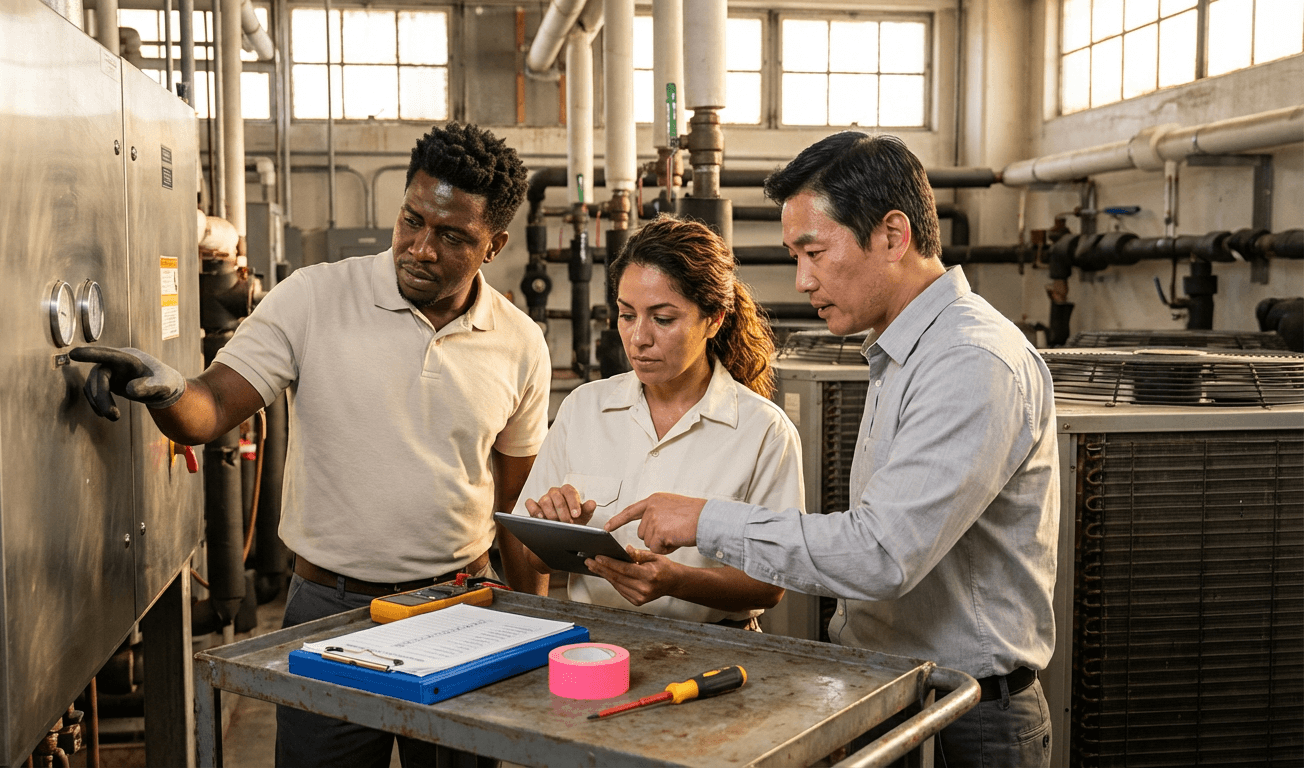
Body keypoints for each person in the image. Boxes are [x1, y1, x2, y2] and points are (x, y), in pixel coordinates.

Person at [69, 123, 548, 768]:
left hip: (459, 607)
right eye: (411, 220)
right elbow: (210, 406)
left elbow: (517, 502)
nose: (421, 248)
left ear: (494, 245)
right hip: (330, 612)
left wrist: (535, 632)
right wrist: (164, 391)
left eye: (452, 237)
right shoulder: (315, 297)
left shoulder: (520, 343)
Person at [607, 133, 1060, 767]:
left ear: (892, 236)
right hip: (894, 686)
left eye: (814, 251)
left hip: (968, 715)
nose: (802, 280)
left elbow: (879, 553)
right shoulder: (901, 352)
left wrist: (706, 518)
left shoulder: (969, 362)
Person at [511, 215, 804, 628]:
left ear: (714, 319)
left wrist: (677, 582)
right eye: (627, 315)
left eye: (662, 319)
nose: (638, 338)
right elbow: (533, 557)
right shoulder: (584, 409)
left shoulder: (763, 432)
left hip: (716, 648)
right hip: (595, 644)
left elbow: (769, 585)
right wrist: (553, 528)